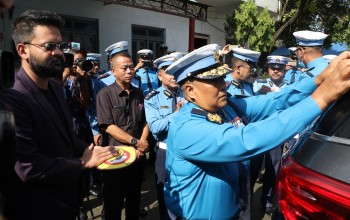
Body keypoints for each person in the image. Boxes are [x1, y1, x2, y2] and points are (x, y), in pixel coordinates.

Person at [163, 43, 350, 219]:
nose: (223, 84)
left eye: (221, 77)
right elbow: (247, 139)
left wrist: (319, 79)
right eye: (214, 80)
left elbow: (275, 101)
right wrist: (322, 98)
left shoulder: (226, 106)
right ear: (190, 90)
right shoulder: (186, 128)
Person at [0, 10, 117, 220]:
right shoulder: (11, 100)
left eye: (60, 46)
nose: (59, 53)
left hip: (67, 202)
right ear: (22, 50)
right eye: (49, 47)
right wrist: (82, 163)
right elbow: (28, 167)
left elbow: (66, 136)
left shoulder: (54, 87)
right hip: (37, 208)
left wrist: (95, 151)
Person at [96, 50, 150, 220]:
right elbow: (108, 126)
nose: (129, 71)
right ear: (113, 71)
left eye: (131, 67)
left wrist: (142, 143)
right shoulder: (105, 94)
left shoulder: (139, 93)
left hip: (137, 157)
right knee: (114, 205)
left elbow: (145, 122)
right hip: (115, 159)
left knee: (134, 201)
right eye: (124, 68)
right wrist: (136, 142)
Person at [144, 52, 185, 220]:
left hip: (186, 151)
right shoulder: (152, 98)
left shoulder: (186, 93)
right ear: (160, 75)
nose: (173, 76)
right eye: (169, 71)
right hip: (165, 152)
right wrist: (177, 114)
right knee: (164, 194)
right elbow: (155, 127)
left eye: (176, 71)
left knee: (184, 192)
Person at [252, 55, 289, 214]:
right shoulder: (258, 85)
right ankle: (245, 200)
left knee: (273, 169)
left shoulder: (290, 87)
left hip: (276, 134)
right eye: (273, 68)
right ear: (268, 69)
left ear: (284, 70)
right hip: (258, 133)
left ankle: (267, 199)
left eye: (279, 68)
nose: (276, 71)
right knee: (252, 169)